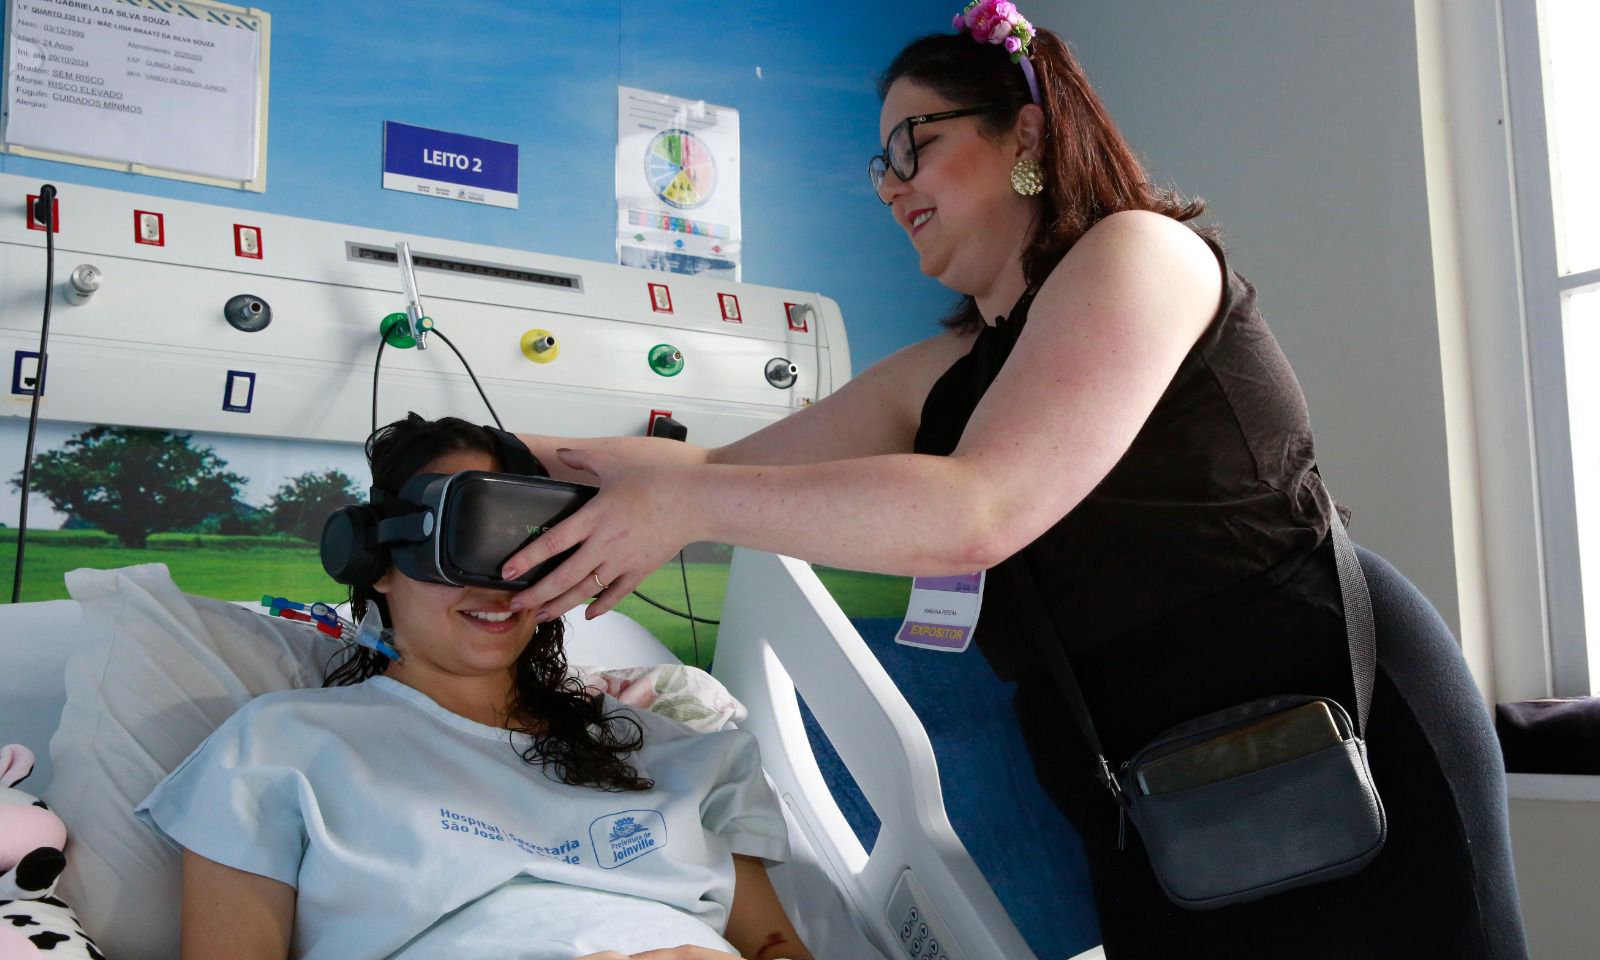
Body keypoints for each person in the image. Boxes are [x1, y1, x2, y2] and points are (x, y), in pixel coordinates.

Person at [501, 5, 1529, 958]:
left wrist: (688, 509)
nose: (893, 183)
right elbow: (716, 468)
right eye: (882, 162)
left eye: (916, 144)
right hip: (1142, 790)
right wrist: (490, 457)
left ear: (1026, 139)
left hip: (1327, 731)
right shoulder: (942, 372)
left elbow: (977, 512)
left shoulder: (1141, 255)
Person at [136, 415, 813, 960]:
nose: (498, 579)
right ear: (377, 560)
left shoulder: (671, 750)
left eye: (527, 542)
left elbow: (777, 947)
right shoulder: (280, 748)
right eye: (465, 539)